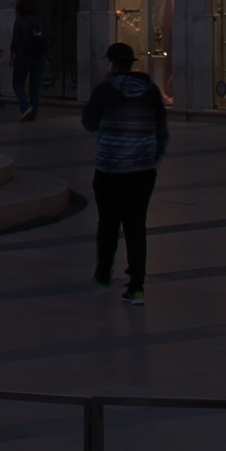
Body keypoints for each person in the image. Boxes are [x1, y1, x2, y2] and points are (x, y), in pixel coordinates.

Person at [82, 42, 168, 304]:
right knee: (136, 226)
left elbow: (89, 123)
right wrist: (150, 158)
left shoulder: (104, 91)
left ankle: (104, 275)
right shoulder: (151, 91)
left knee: (108, 223)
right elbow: (161, 130)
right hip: (142, 171)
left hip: (110, 169)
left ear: (112, 64)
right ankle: (137, 286)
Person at [10, 0, 47, 120]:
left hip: (23, 56)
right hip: (38, 57)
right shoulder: (38, 22)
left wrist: (12, 54)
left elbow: (15, 41)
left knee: (17, 84)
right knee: (35, 88)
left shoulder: (19, 22)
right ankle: (32, 115)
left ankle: (26, 106)